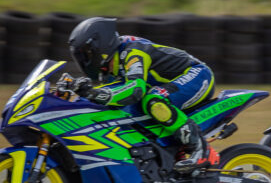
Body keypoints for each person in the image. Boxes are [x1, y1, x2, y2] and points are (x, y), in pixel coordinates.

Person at [67, 17, 219, 172]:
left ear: (99, 46)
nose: (83, 60)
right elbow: (111, 94)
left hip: (197, 75)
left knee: (154, 100)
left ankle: (201, 149)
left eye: (86, 54)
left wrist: (93, 93)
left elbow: (135, 90)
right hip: (169, 86)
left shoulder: (132, 52)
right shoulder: (110, 65)